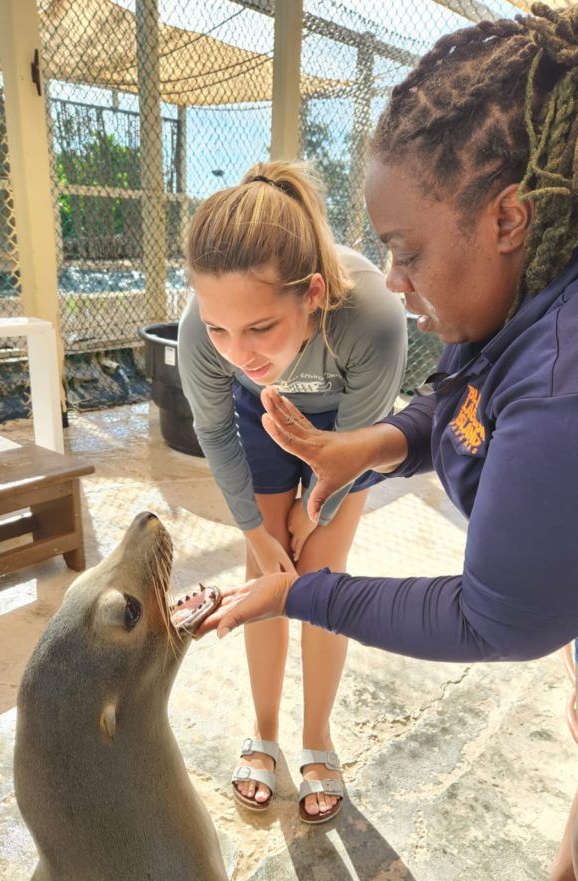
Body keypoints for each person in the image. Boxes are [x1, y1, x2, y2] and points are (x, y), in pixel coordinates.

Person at [196, 1, 578, 881]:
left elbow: (490, 616)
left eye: (406, 253)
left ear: (506, 214)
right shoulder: (577, 238)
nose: (400, 284)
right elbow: (465, 395)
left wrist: (304, 593)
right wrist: (370, 444)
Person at [178, 161, 407, 823]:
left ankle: (317, 737)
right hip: (258, 417)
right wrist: (256, 529)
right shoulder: (205, 330)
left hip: (343, 424)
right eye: (219, 329)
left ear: (310, 294)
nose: (235, 350)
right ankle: (266, 732)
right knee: (267, 568)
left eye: (259, 328)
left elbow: (360, 441)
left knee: (320, 574)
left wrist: (320, 510)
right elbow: (214, 428)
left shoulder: (372, 316)